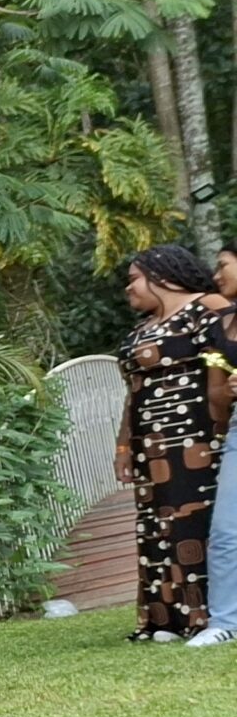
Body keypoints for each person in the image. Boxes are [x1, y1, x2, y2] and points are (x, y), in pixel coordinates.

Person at [115, 246, 225, 640]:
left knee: (191, 524)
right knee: (156, 526)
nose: (128, 287)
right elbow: (133, 393)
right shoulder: (142, 328)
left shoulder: (207, 307)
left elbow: (223, 367)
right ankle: (168, 619)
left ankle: (205, 616)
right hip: (149, 446)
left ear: (162, 275)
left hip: (195, 440)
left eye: (134, 278)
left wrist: (219, 426)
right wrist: (123, 447)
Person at [187, 245, 237, 647]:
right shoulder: (223, 325)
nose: (216, 275)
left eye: (223, 266)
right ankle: (224, 621)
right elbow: (217, 397)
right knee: (225, 531)